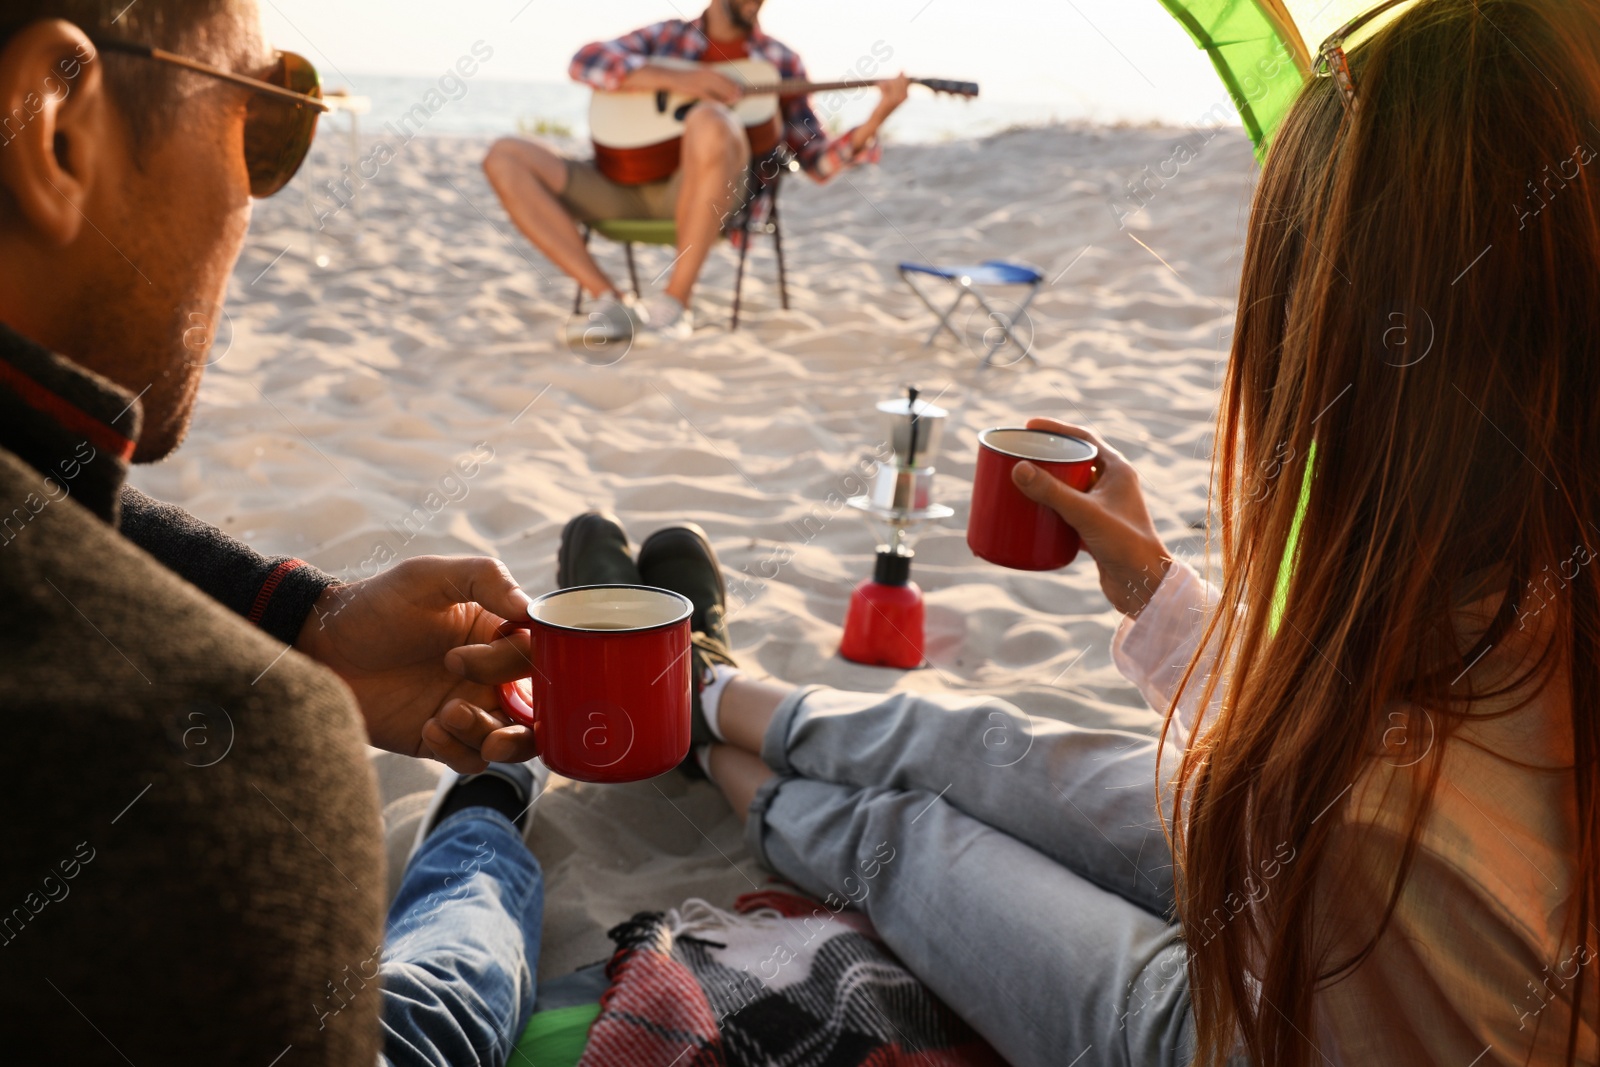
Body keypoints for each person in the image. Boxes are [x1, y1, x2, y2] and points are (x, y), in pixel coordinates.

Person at [559, 0, 1600, 1063]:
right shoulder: (1518, 604)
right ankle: (706, 682)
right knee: (973, 743)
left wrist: (861, 114)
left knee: (907, 841)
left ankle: (689, 724)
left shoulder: (1386, 800)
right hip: (1321, 869)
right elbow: (588, 58)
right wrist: (1154, 586)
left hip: (1250, 1024)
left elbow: (1331, 789)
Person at [0, 4, 559, 1063]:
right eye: (266, 120)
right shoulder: (184, 767)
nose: (253, 206)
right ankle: (490, 812)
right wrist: (273, 697)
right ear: (56, 129)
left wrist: (305, 624)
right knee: (446, 998)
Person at [482, 0, 909, 344]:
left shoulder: (778, 61)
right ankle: (610, 300)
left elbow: (816, 161)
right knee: (504, 155)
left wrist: (875, 121)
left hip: (714, 198)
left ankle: (674, 305)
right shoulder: (666, 37)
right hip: (621, 182)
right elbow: (584, 61)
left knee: (710, 120)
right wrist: (672, 78)